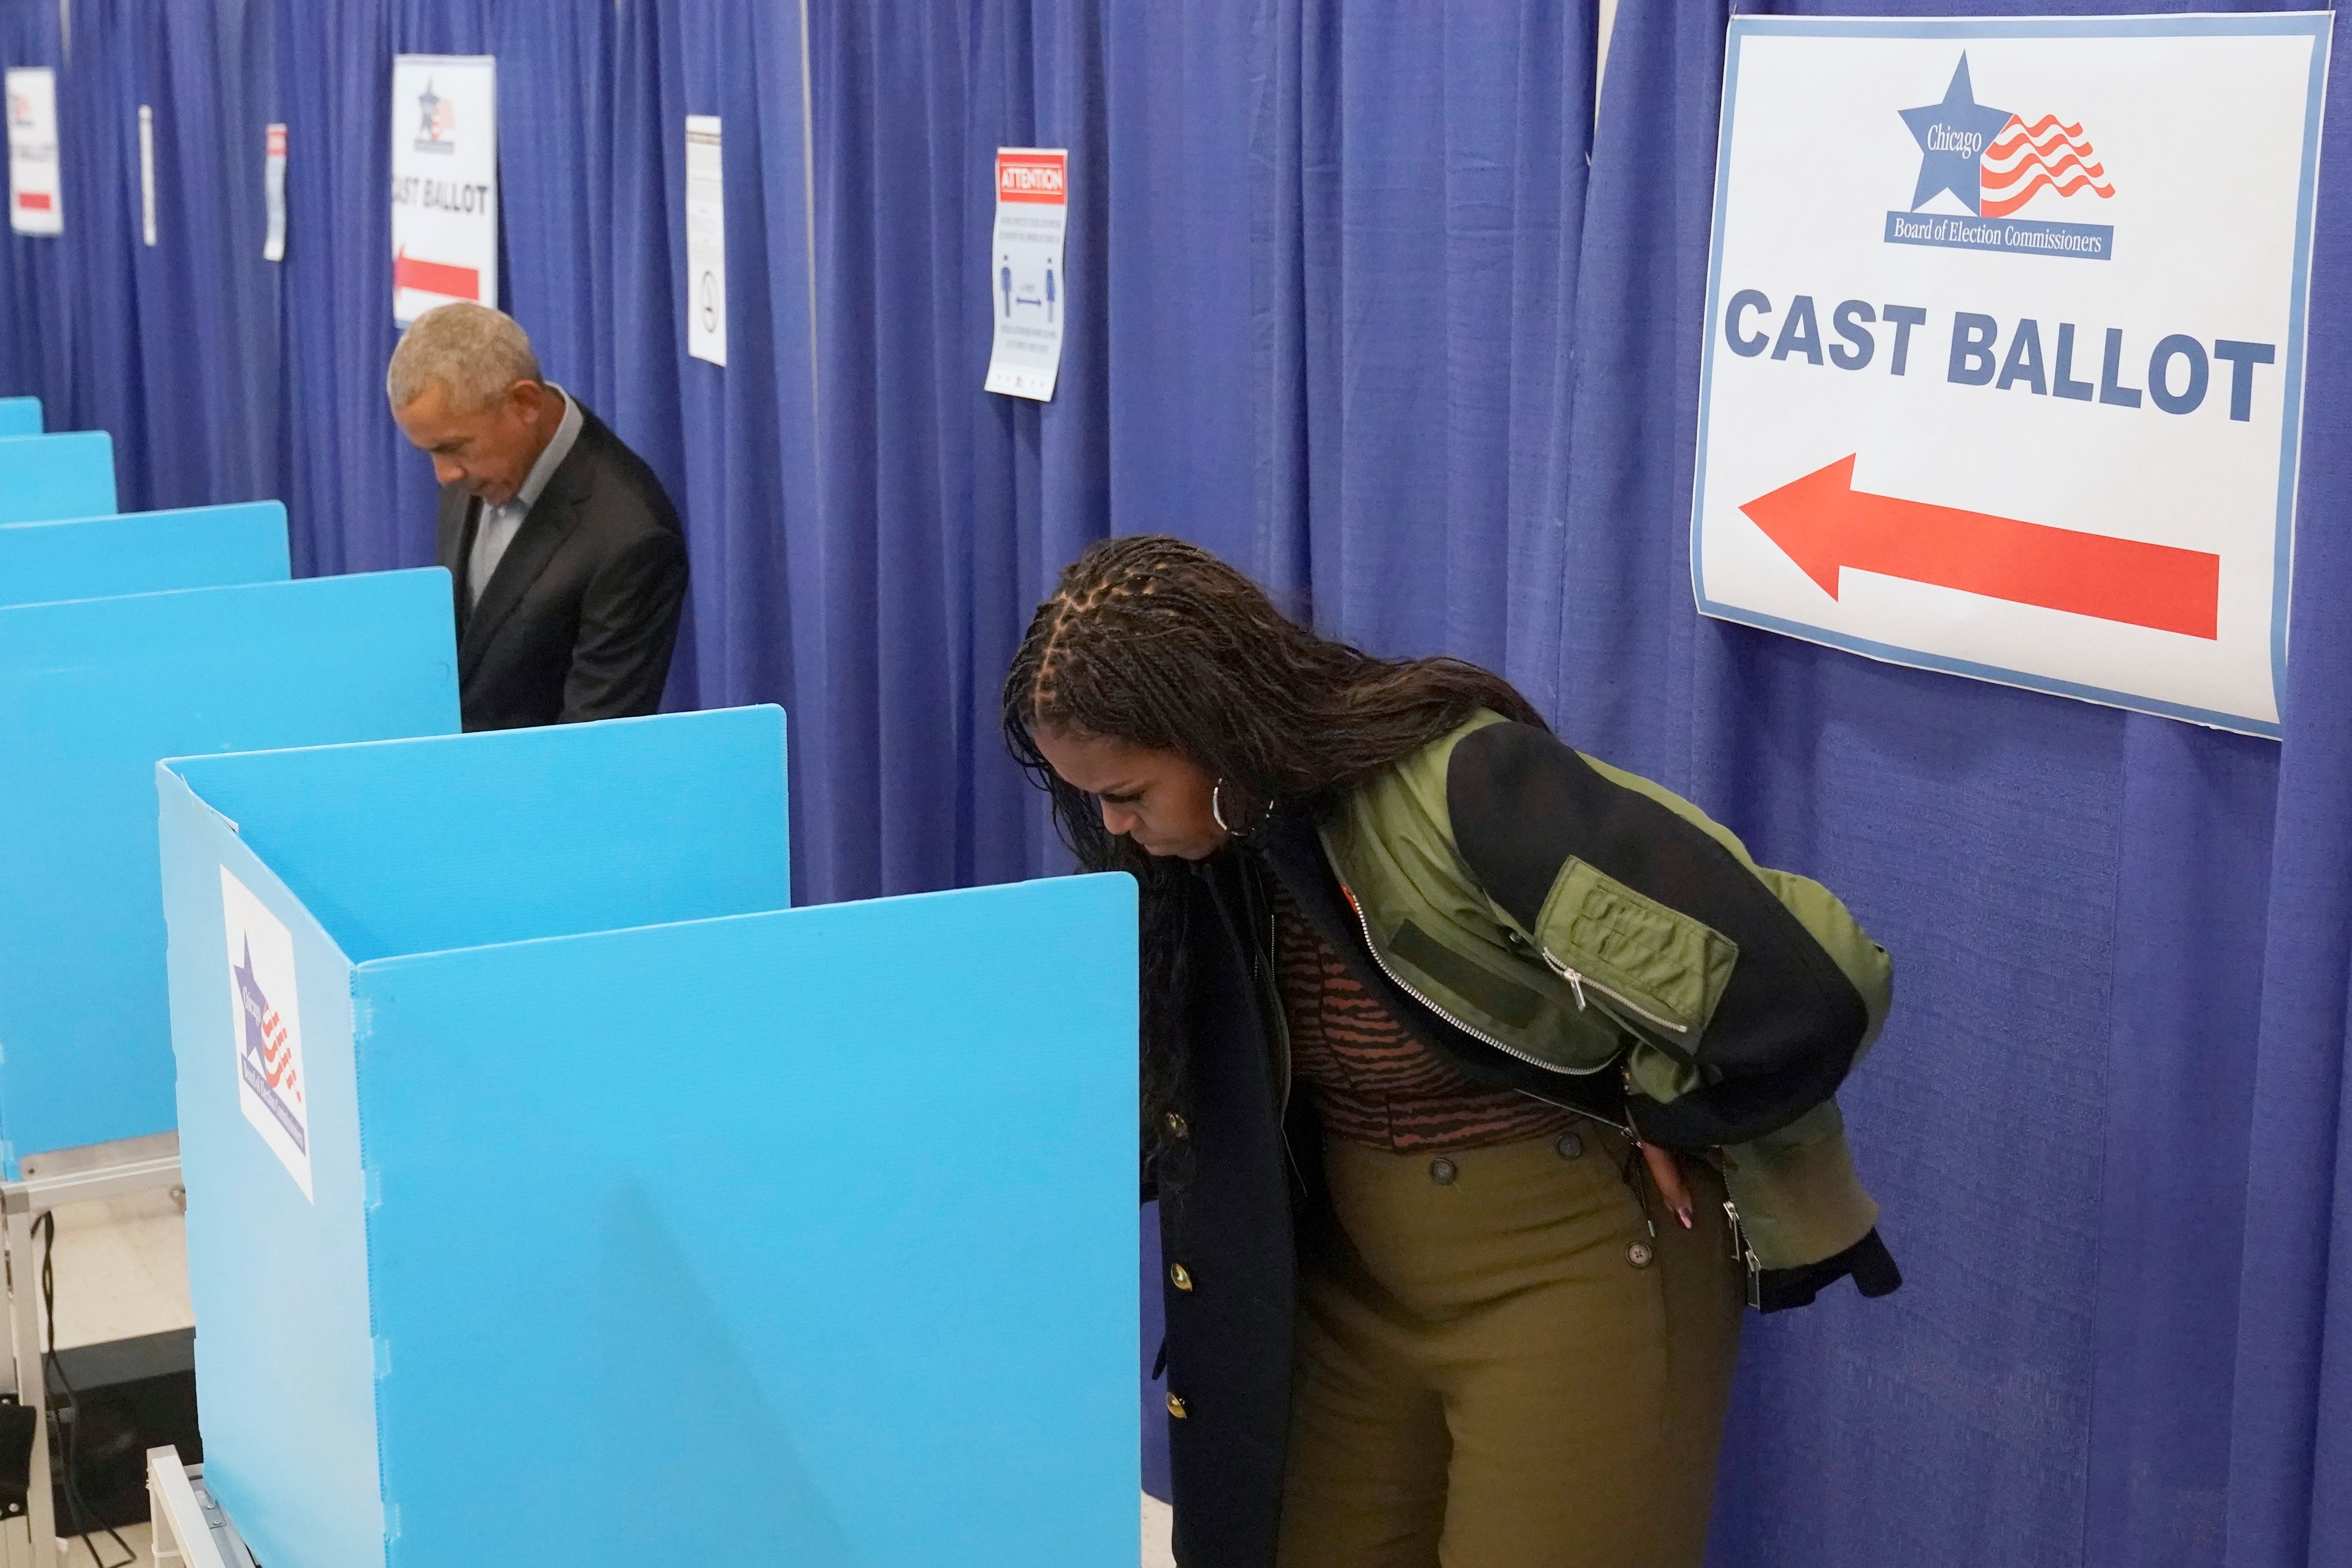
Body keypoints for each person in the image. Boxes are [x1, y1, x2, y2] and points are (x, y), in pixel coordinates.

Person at [1002, 536, 1898, 1568]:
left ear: (1216, 730)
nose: (1117, 829)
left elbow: (1812, 984)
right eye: (1094, 801)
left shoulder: (1463, 788)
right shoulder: (1211, 861)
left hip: (1568, 1279)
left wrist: (1663, 1103)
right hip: (1352, 1294)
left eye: (1128, 793)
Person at [386, 302, 688, 731]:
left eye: (453, 448)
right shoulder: (477, 454)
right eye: (430, 452)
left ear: (525, 403)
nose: (444, 475)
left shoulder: (631, 538)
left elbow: (592, 746)